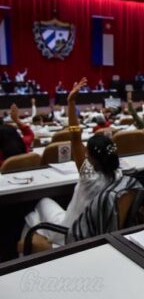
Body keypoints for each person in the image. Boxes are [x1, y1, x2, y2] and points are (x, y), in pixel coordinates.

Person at [23, 78, 123, 245]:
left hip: (68, 232)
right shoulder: (118, 175)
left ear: (90, 157)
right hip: (95, 230)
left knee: (41, 203)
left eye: (87, 152)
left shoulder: (89, 177)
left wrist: (71, 102)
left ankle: (25, 250)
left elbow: (75, 137)